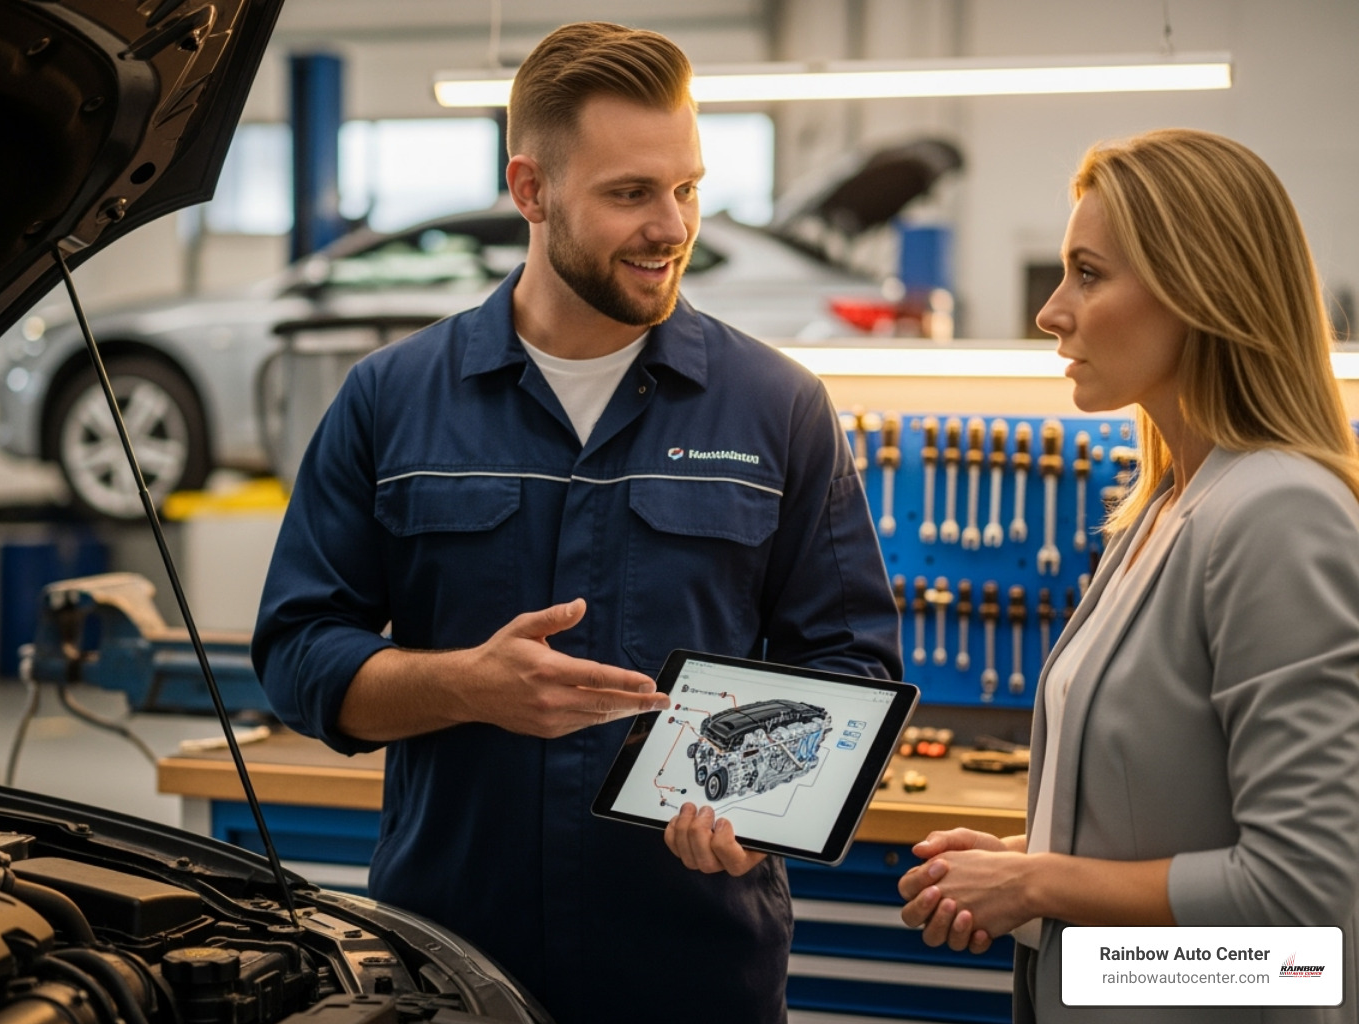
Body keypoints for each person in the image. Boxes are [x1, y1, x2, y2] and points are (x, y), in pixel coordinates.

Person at [252, 21, 901, 1024]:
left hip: (692, 972)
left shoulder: (777, 406)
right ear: (532, 190)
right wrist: (465, 684)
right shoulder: (391, 399)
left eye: (687, 187)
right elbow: (297, 653)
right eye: (631, 193)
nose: (672, 225)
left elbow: (849, 666)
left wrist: (769, 813)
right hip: (449, 965)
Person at [897, 128, 1359, 1022]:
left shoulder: (1276, 516)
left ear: (1201, 290)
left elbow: (1301, 923)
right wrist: (1022, 864)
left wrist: (1040, 886)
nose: (1051, 310)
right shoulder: (1164, 507)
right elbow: (1170, 812)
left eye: (1089, 273)